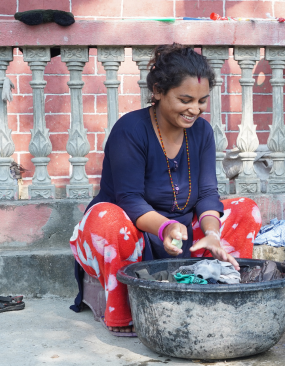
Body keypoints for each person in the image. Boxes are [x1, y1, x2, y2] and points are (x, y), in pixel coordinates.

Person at [69, 44, 262, 335]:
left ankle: (218, 290)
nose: (194, 109)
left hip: (183, 237)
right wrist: (166, 227)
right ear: (158, 91)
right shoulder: (130, 130)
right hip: (131, 236)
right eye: (185, 99)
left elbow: (209, 193)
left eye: (201, 101)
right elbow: (129, 200)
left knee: (246, 209)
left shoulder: (202, 132)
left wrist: (211, 234)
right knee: (106, 218)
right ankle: (123, 314)